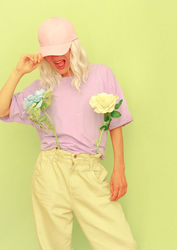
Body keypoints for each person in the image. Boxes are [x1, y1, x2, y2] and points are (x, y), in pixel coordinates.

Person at [0, 17, 137, 250]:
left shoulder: (101, 75)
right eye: (49, 53)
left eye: (60, 51)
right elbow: (2, 109)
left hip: (89, 171)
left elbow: (117, 122)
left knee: (121, 245)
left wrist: (119, 170)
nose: (55, 59)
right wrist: (18, 72)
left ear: (73, 46)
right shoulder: (43, 87)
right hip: (49, 171)